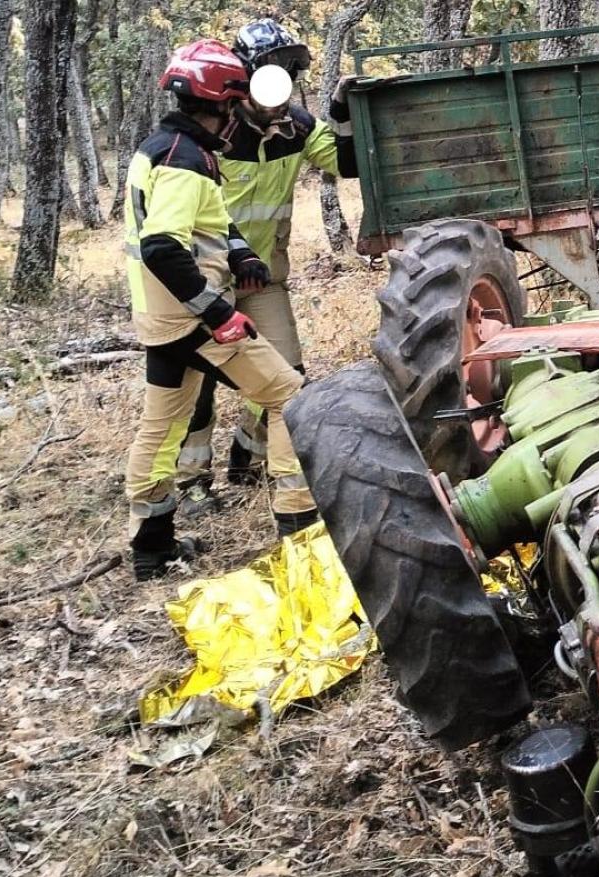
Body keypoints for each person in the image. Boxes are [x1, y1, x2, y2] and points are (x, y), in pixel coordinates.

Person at [122, 39, 317, 580]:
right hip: (190, 317)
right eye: (233, 108)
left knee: (161, 427)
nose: (236, 120)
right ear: (221, 106)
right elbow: (163, 244)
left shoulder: (158, 148)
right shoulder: (187, 162)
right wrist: (217, 313)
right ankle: (298, 528)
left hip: (158, 318)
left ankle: (152, 548)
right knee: (290, 398)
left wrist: (241, 254)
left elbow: (205, 223)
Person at [174, 18, 359, 513]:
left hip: (265, 280)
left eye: (287, 69)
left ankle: (250, 458)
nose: (279, 80)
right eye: (269, 69)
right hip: (206, 277)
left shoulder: (297, 128)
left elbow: (346, 162)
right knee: (200, 382)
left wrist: (343, 110)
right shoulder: (212, 131)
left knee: (288, 377)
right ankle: (191, 484)